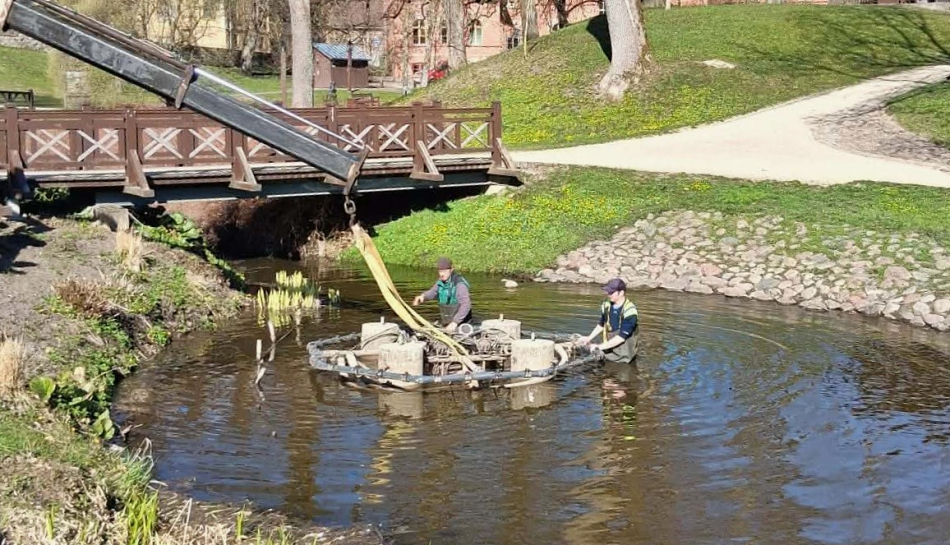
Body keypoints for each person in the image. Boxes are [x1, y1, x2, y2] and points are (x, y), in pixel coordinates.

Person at [577, 278, 639, 364]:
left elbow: (621, 338)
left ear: (621, 293)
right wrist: (588, 338)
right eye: (608, 291)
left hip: (623, 354)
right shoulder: (607, 305)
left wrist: (598, 347)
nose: (608, 294)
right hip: (609, 346)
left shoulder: (630, 311)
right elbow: (601, 324)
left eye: (611, 292)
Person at [412, 257, 472, 333]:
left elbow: (466, 305)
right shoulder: (441, 282)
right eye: (440, 271)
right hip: (447, 324)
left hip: (461, 325)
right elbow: (433, 292)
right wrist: (423, 296)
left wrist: (455, 322)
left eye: (445, 271)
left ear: (451, 270)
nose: (442, 274)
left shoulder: (460, 284)